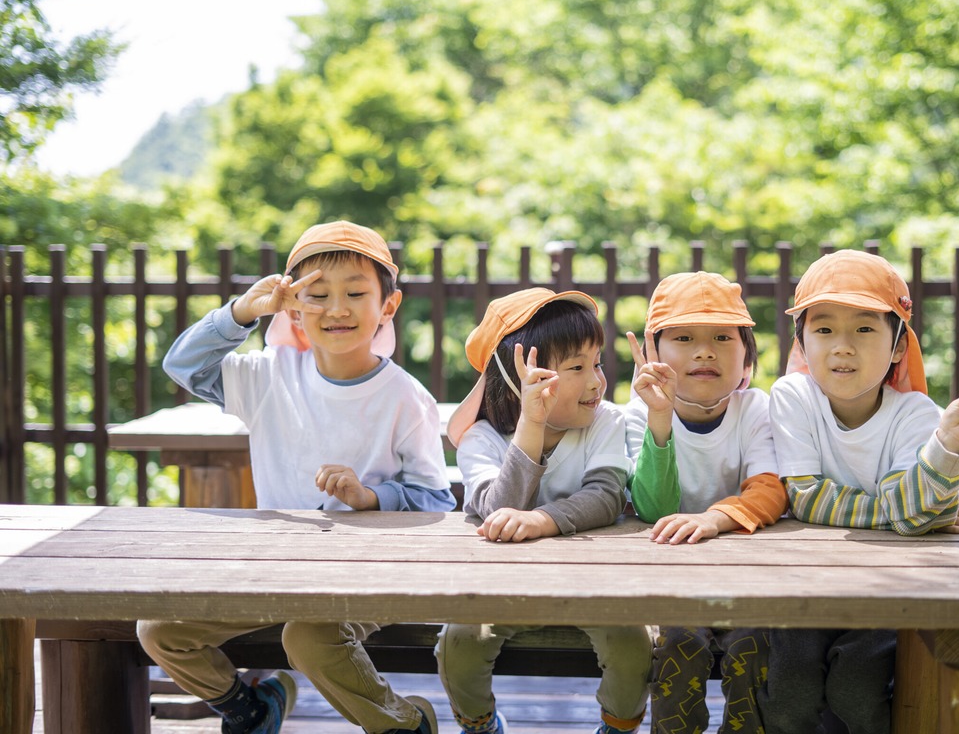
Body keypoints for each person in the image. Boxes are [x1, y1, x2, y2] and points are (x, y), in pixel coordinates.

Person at [138, 220, 455, 734]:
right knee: (160, 629)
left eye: (356, 292)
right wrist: (242, 311)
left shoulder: (405, 397)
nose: (337, 308)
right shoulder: (268, 375)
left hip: (368, 573)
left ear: (387, 306)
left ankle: (405, 721)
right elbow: (184, 366)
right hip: (275, 568)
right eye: (316, 294)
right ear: (292, 307)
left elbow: (437, 503)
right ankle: (250, 708)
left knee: (308, 637)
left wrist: (369, 495)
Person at [761, 249, 959, 734]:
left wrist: (949, 442)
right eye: (824, 329)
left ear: (897, 346)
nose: (841, 346)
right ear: (803, 344)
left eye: (865, 329)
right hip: (801, 589)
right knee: (790, 691)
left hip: (888, 595)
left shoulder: (917, 415)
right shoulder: (793, 396)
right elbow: (806, 496)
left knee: (859, 690)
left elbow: (908, 514)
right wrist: (917, 513)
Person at [435, 288, 653, 734]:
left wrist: (542, 520)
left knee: (633, 645)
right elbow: (498, 508)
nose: (597, 381)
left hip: (595, 587)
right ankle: (479, 724)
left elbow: (607, 495)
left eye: (596, 363)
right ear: (518, 378)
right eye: (576, 367)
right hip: (500, 590)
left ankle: (617, 725)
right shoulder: (482, 440)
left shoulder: (605, 422)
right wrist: (531, 425)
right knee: (458, 644)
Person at [623, 271, 786, 734]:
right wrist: (660, 417)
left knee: (754, 643)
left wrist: (714, 519)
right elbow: (652, 507)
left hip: (746, 581)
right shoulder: (637, 414)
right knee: (679, 642)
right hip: (668, 580)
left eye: (722, 337)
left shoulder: (754, 409)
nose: (704, 351)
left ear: (746, 354)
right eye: (684, 338)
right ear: (653, 353)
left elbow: (770, 488)